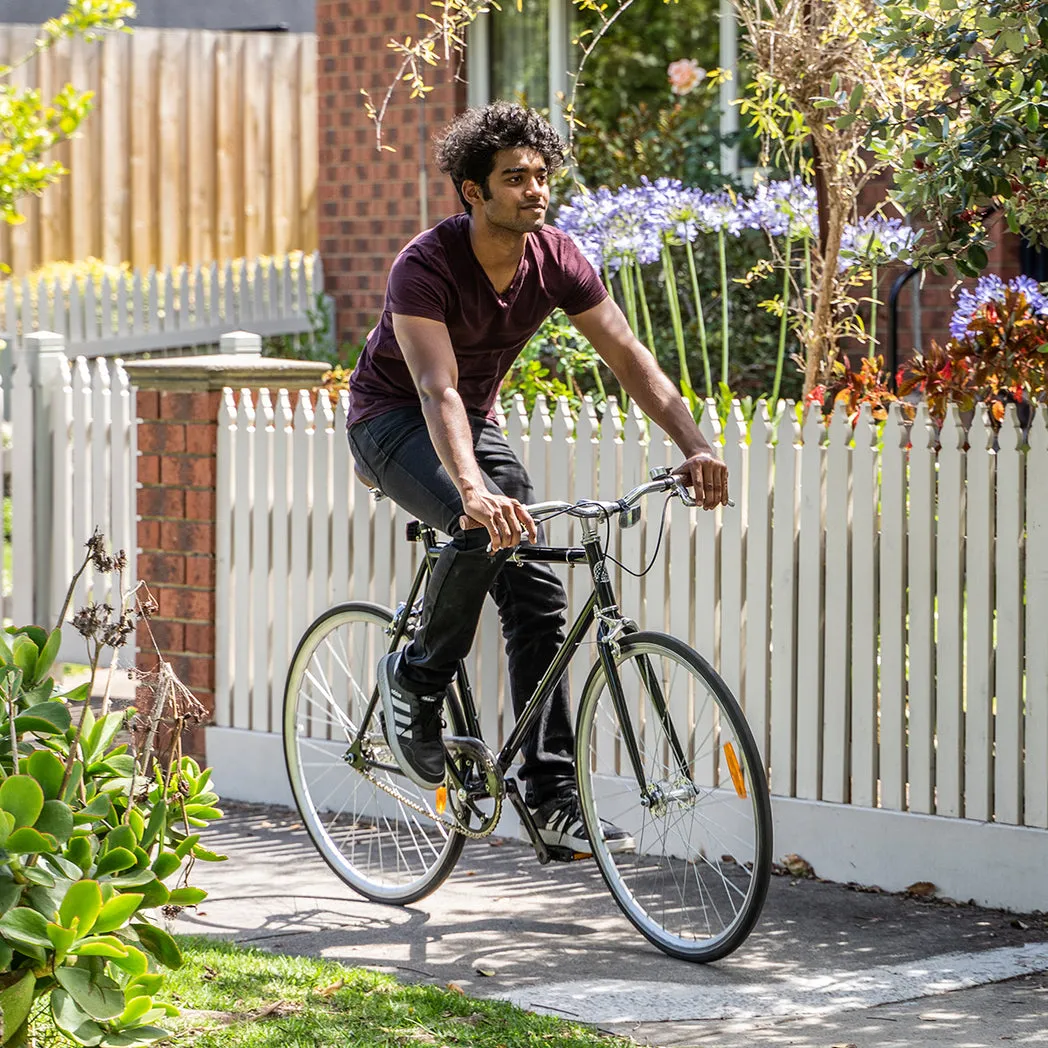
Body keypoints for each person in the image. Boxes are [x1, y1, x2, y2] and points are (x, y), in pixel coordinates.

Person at [346, 101, 728, 855]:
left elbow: (630, 360)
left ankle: (549, 794)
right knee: (476, 519)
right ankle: (418, 677)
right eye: (514, 177)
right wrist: (473, 491)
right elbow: (435, 388)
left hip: (469, 427)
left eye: (541, 175)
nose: (534, 189)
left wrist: (694, 444)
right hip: (389, 421)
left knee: (539, 598)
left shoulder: (556, 258)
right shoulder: (424, 265)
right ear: (472, 191)